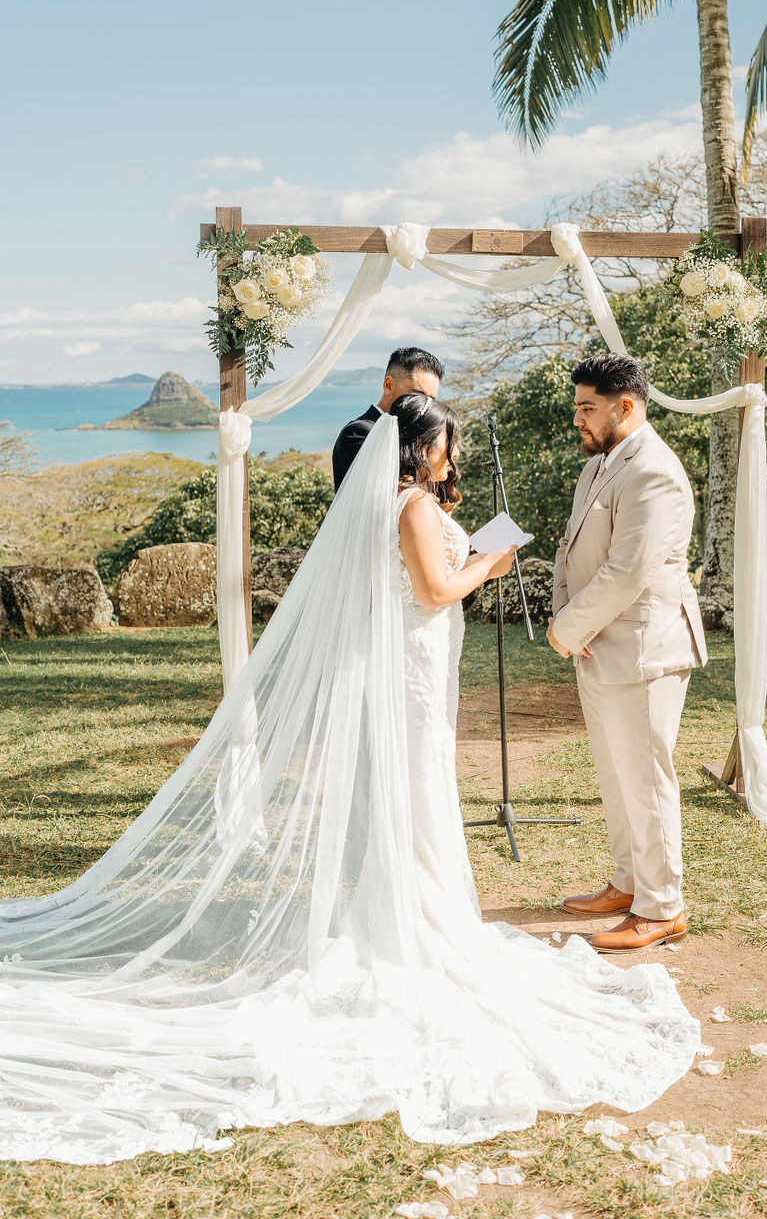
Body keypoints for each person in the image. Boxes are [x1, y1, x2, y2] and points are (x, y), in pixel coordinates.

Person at [0, 387, 699, 1164]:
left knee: (414, 792)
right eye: (447, 445)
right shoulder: (409, 507)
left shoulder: (399, 500)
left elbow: (419, 580)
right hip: (410, 667)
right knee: (416, 791)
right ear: (420, 448)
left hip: (414, 662)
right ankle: (412, 919)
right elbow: (435, 590)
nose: (453, 456)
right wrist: (492, 561)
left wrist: (466, 555)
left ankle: (404, 902)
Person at [548, 354, 707, 953]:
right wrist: (571, 620)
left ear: (626, 407)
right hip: (597, 641)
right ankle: (629, 883)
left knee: (645, 775)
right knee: (615, 774)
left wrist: (568, 628)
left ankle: (663, 907)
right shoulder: (600, 465)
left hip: (645, 643)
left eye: (587, 409)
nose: (578, 420)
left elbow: (628, 571)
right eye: (577, 408)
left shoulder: (655, 472)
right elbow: (570, 549)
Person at [331, 345, 444, 490]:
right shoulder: (359, 432)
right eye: (418, 395)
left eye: (431, 400)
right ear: (388, 386)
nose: (425, 405)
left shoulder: (413, 436)